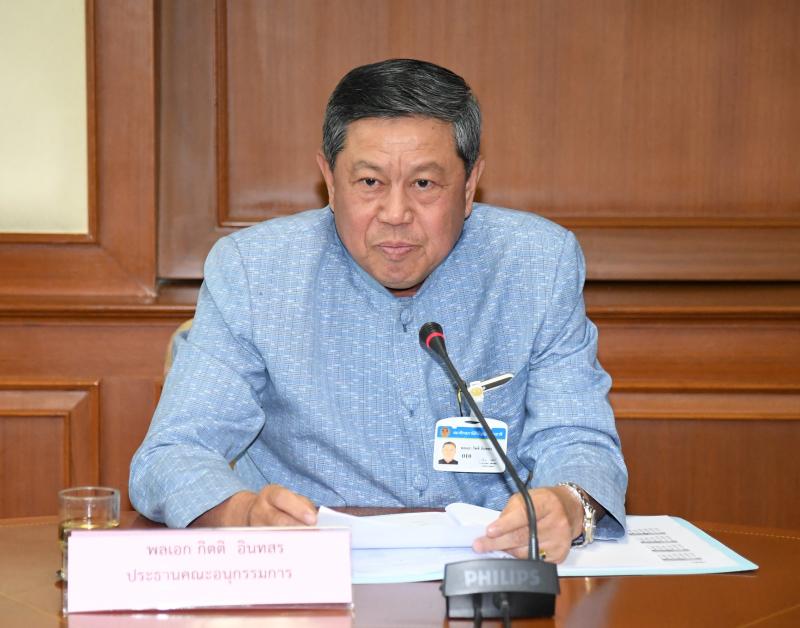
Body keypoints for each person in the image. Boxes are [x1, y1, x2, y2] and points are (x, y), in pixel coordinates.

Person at [130, 58, 627, 564]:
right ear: (329, 180)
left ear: (470, 184)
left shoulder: (537, 264)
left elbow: (579, 438)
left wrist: (568, 504)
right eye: (369, 182)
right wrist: (244, 515)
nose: (395, 215)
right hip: (317, 572)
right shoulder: (256, 272)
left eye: (424, 184)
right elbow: (172, 454)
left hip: (489, 568)